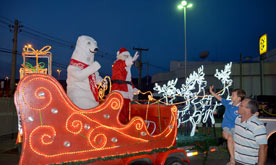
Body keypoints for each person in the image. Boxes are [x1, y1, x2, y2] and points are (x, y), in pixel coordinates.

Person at [209, 86, 246, 165]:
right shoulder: (229, 103)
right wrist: (211, 92)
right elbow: (219, 98)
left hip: (236, 127)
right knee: (230, 138)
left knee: (235, 142)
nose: (231, 96)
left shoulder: (241, 107)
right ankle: (232, 159)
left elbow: (248, 114)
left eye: (233, 95)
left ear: (239, 98)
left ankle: (236, 158)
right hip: (227, 126)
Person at [234, 98, 267, 165]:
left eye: (241, 105)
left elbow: (263, 147)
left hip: (249, 163)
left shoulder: (257, 125)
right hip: (236, 161)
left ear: (248, 110)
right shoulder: (237, 119)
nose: (238, 106)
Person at [111, 47, 139, 124]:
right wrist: (131, 61)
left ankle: (125, 124)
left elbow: (128, 81)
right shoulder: (117, 63)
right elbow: (122, 64)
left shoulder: (127, 68)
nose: (127, 57)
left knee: (127, 111)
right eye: (125, 56)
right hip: (119, 90)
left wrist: (133, 88)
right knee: (120, 111)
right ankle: (120, 125)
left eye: (128, 56)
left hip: (126, 92)